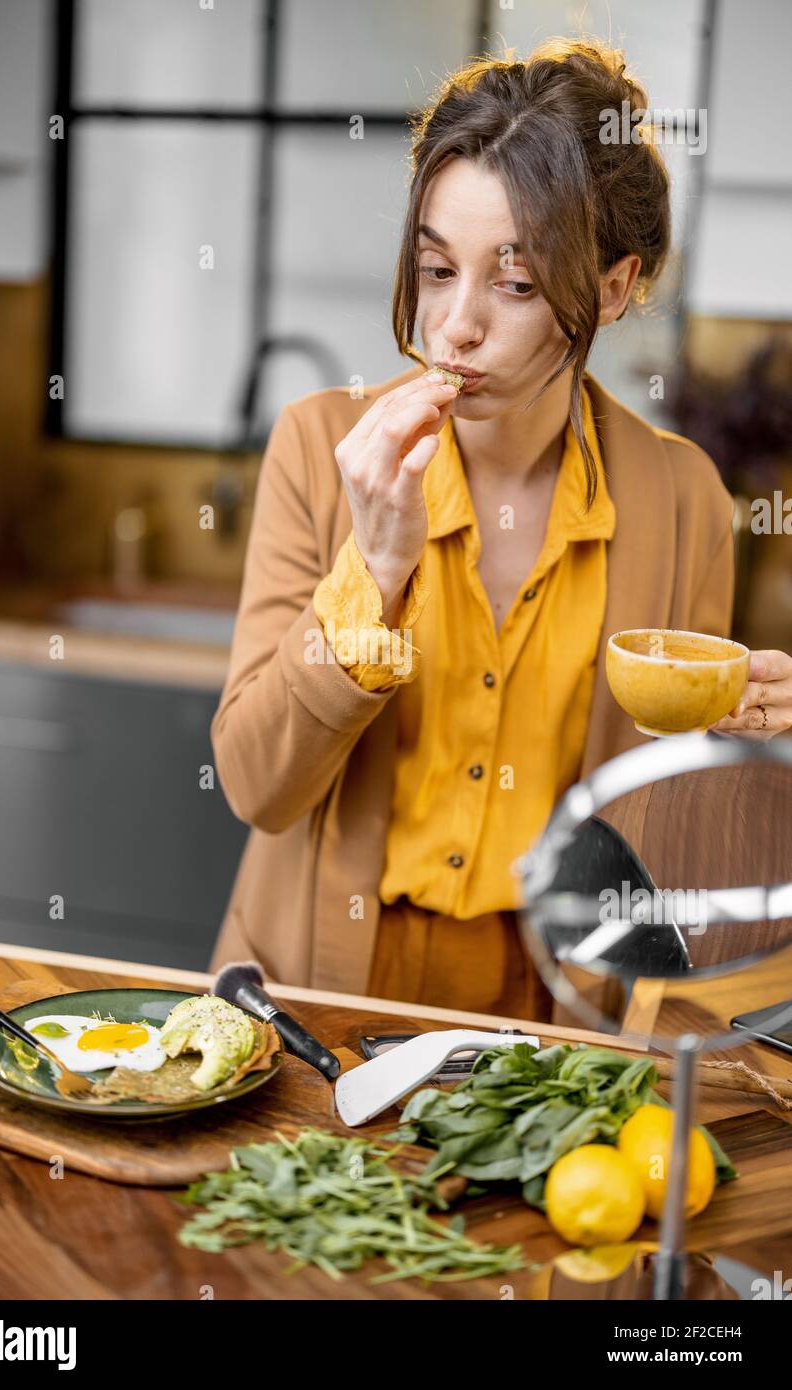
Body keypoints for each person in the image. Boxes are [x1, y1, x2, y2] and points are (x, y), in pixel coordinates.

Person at [209, 41, 792, 1019]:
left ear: (611, 287)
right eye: (437, 269)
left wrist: (733, 757)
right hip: (319, 992)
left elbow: (671, 864)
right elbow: (259, 786)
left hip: (551, 1005)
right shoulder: (318, 448)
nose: (455, 327)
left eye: (514, 284)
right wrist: (376, 569)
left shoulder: (683, 498)